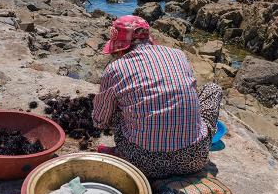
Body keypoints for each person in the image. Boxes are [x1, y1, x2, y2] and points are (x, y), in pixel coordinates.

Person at [92, 15, 222, 179]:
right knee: (213, 89)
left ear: (121, 46)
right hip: (194, 159)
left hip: (141, 164)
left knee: (116, 106)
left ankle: (120, 152)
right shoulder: (178, 54)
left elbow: (99, 121)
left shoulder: (114, 68)